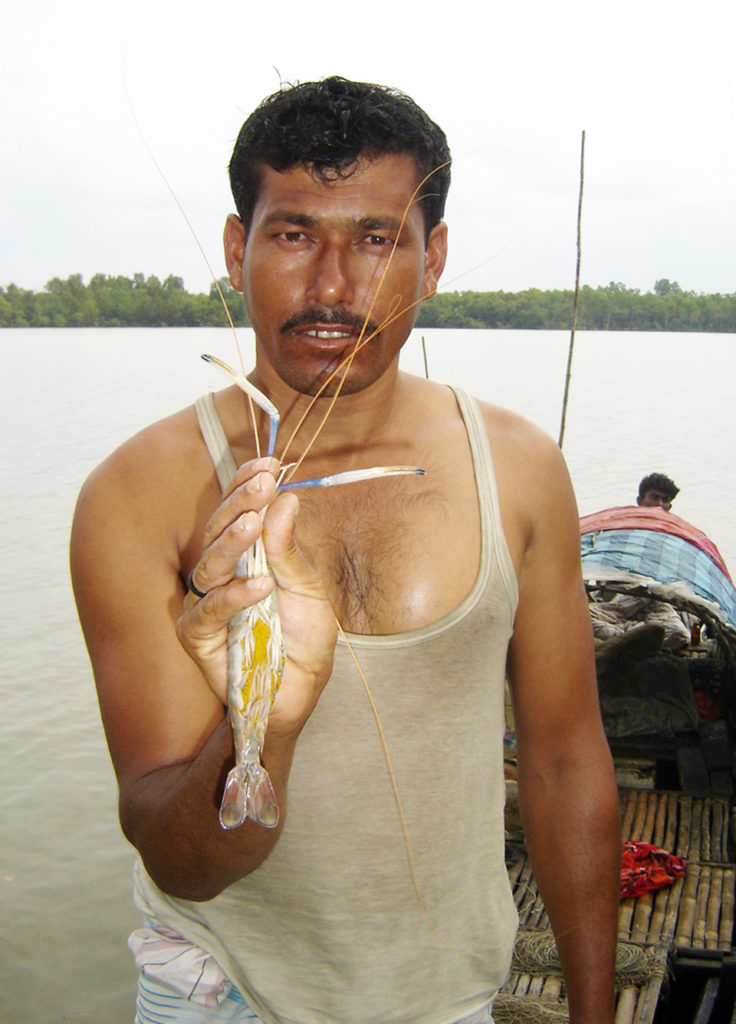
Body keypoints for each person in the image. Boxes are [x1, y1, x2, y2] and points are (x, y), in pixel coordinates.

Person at [71, 77, 620, 1024]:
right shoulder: (134, 496)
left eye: (375, 238)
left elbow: (567, 761)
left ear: (433, 257)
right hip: (219, 984)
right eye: (292, 235)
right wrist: (269, 726)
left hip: (448, 994)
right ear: (237, 248)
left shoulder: (522, 470)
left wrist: (595, 1010)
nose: (332, 286)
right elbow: (184, 863)